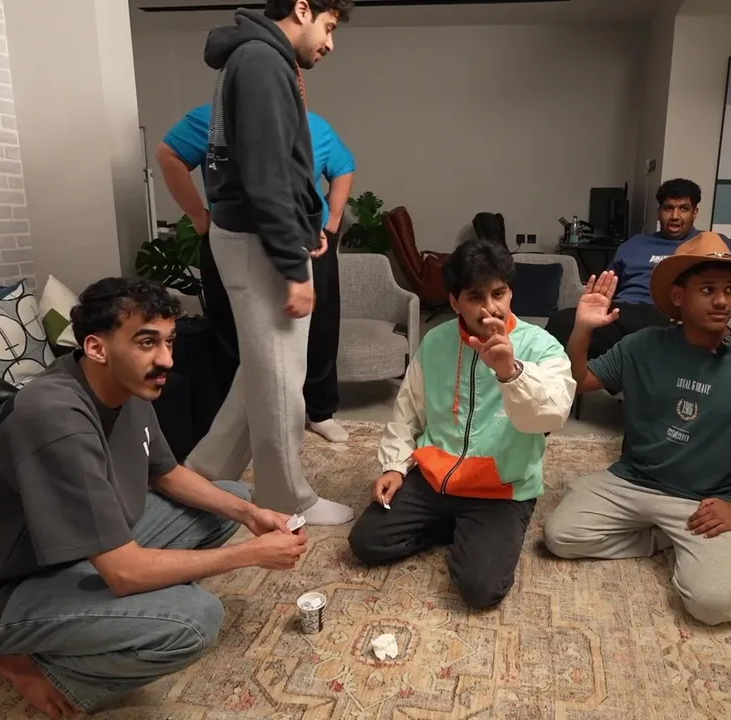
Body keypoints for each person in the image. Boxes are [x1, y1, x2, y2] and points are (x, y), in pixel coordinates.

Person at [0, 278, 310, 719]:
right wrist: (251, 555)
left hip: (66, 555)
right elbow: (125, 573)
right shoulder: (55, 416)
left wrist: (251, 514)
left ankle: (111, 616)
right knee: (194, 620)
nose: (166, 359)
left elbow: (166, 473)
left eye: (169, 341)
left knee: (229, 500)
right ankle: (34, 665)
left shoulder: (124, 386)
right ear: (96, 348)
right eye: (147, 343)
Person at [543, 232, 731, 626]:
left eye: (730, 289)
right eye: (708, 289)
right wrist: (583, 329)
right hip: (633, 481)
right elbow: (580, 381)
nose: (722, 300)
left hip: (707, 500)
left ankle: (678, 535)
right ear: (678, 296)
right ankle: (662, 537)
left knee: (712, 606)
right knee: (560, 537)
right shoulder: (643, 345)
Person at [188, 0, 356, 526]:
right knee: (282, 377)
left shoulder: (258, 58)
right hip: (256, 241)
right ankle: (286, 499)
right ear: (302, 9)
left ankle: (204, 473)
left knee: (263, 369)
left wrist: (308, 225)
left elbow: (283, 164)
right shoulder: (261, 61)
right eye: (329, 27)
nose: (330, 43)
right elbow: (265, 175)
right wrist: (292, 265)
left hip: (255, 235)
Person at [348, 241, 576, 609]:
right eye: (475, 297)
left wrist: (510, 372)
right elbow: (408, 410)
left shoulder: (542, 346)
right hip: (436, 478)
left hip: (501, 487)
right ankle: (458, 527)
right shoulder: (435, 341)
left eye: (498, 294)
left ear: (510, 293)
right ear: (455, 302)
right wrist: (394, 466)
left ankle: (478, 532)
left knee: (480, 589)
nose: (491, 308)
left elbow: (551, 416)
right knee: (366, 542)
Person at [155, 106, 357, 443]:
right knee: (231, 329)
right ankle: (243, 418)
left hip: (306, 243)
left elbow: (344, 166)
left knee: (319, 328)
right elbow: (168, 154)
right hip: (232, 241)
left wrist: (333, 219)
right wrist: (197, 216)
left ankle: (320, 411)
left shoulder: (314, 125)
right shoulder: (212, 119)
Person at [545, 178, 731, 360]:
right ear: (659, 212)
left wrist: (697, 315)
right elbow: (608, 287)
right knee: (562, 321)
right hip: (623, 312)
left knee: (651, 337)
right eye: (668, 208)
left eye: (683, 208)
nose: (675, 216)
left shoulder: (711, 244)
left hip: (669, 316)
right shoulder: (634, 244)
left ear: (695, 212)